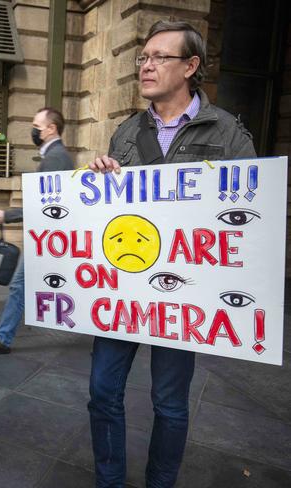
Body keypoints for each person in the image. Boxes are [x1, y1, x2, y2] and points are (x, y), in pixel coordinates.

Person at [86, 20, 256, 487]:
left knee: (170, 403)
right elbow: (108, 217)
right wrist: (102, 178)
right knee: (102, 392)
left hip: (186, 297)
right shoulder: (125, 132)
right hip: (124, 288)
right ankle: (109, 481)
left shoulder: (227, 133)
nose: (147, 65)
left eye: (160, 57)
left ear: (190, 66)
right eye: (143, 57)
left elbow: (246, 214)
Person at [0, 107, 74, 354]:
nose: (33, 130)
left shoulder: (55, 158)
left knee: (20, 285)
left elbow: (46, 205)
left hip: (47, 237)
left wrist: (7, 215)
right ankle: (3, 335)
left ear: (51, 129)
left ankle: (3, 338)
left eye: (37, 125)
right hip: (49, 237)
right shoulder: (55, 156)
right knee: (26, 286)